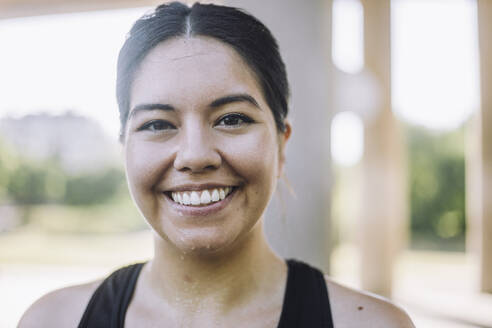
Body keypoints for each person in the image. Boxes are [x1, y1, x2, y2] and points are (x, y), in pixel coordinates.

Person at [19, 2, 415, 327]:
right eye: (157, 124)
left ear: (281, 145)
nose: (195, 155)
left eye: (232, 119)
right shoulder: (53, 321)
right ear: (125, 148)